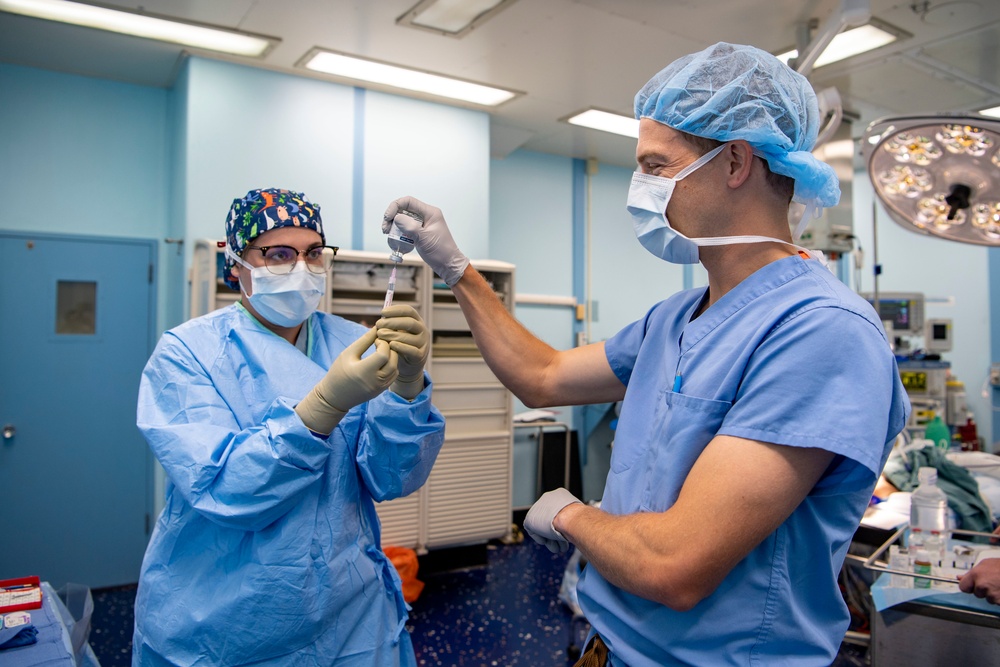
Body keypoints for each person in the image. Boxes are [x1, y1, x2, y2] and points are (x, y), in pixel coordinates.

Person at [383, 42, 909, 666]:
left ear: (736, 160)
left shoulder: (822, 332)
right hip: (610, 647)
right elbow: (542, 376)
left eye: (656, 166)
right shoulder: (677, 317)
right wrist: (457, 268)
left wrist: (571, 516)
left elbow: (675, 566)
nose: (641, 189)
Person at [134, 188, 445, 666]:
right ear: (235, 262)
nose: (301, 268)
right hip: (226, 621)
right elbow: (226, 489)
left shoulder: (351, 341)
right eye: (278, 254)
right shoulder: (187, 354)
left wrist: (406, 389)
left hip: (350, 615)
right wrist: (323, 406)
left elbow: (391, 479)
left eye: (313, 253)